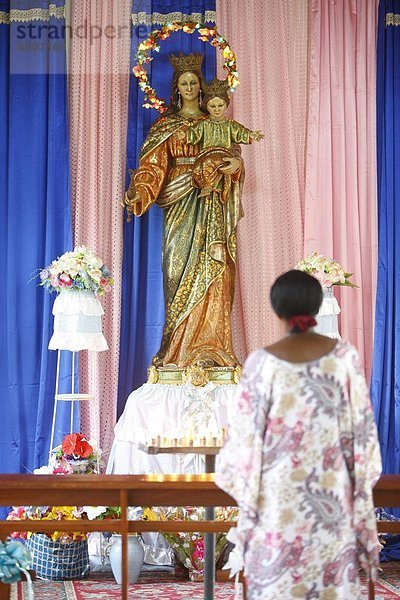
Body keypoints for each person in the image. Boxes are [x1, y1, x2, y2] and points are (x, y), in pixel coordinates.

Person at [216, 270, 381, 599]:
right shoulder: (344, 357)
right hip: (332, 497)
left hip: (278, 504)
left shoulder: (261, 363)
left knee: (279, 586)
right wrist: (358, 490)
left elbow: (245, 445)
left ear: (277, 310)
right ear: (318, 306)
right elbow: (361, 435)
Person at [124, 54, 243, 369]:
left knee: (215, 272)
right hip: (179, 198)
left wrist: (235, 165)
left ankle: (210, 346)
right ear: (176, 88)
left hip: (210, 197)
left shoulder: (214, 122)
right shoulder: (166, 125)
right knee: (175, 271)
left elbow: (232, 153)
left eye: (194, 82)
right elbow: (152, 166)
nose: (189, 87)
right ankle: (176, 349)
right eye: (184, 83)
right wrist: (140, 190)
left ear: (201, 87)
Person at [181, 77, 263, 204]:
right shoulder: (203, 124)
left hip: (224, 156)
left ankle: (217, 190)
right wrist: (184, 135)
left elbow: (241, 132)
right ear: (207, 106)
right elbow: (194, 134)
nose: (217, 109)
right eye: (212, 106)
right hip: (207, 155)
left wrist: (251, 135)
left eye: (220, 105)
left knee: (211, 164)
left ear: (226, 105)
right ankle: (206, 185)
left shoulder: (230, 124)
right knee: (200, 166)